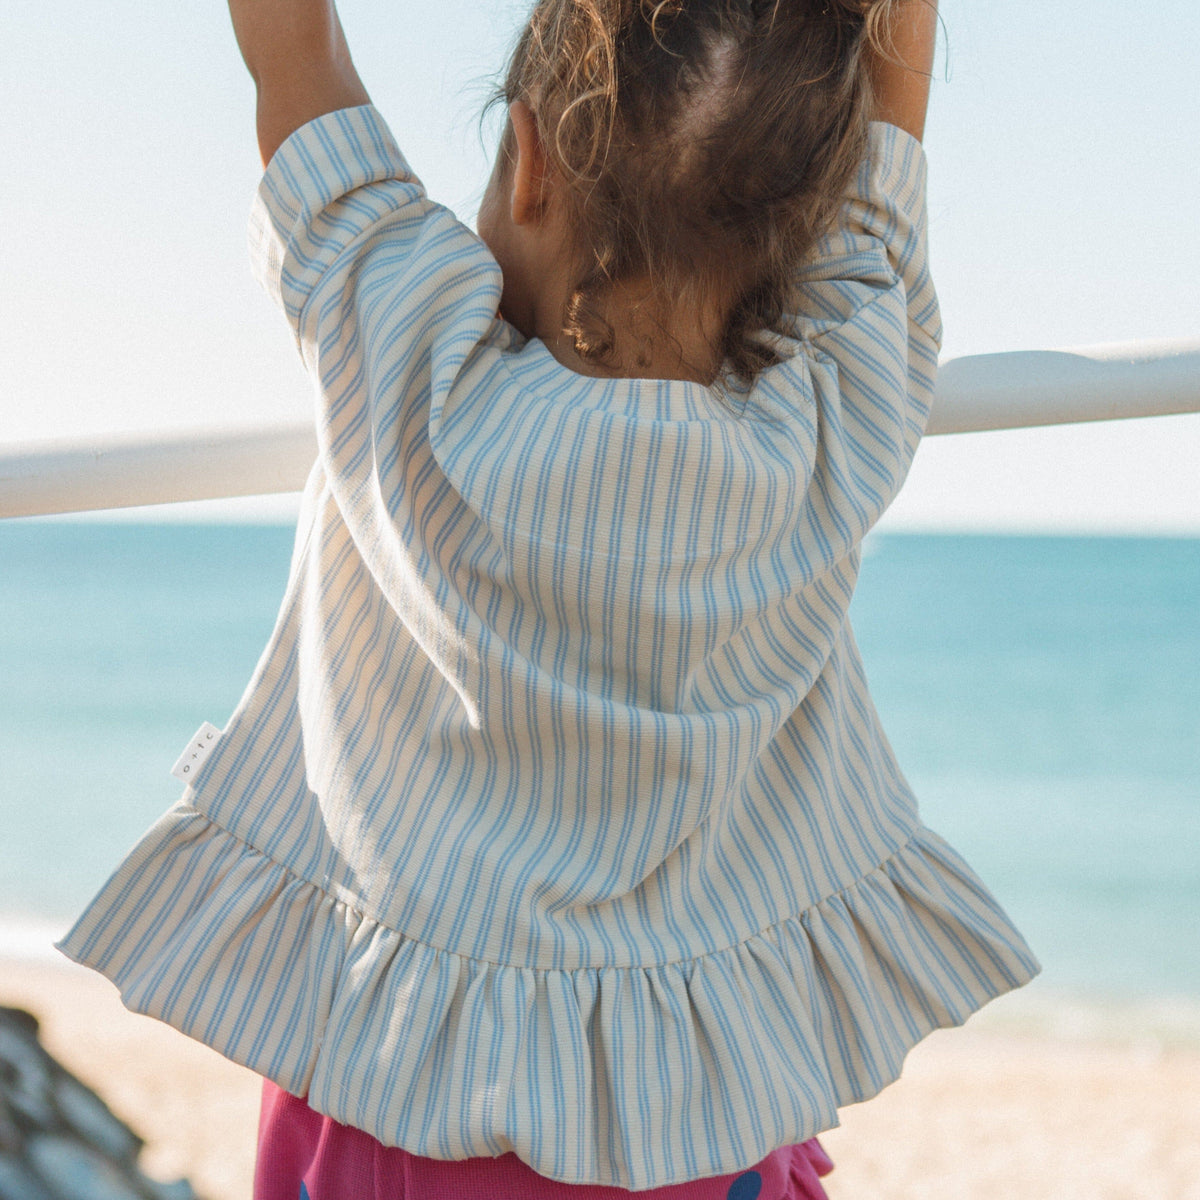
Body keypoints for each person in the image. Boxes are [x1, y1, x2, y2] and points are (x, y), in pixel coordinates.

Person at [58, 0, 1041, 1196]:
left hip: (395, 1094)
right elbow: (886, 173)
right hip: (695, 1123)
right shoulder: (836, 420)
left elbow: (293, 53)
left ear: (526, 158)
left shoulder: (407, 354)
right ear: (805, 225)